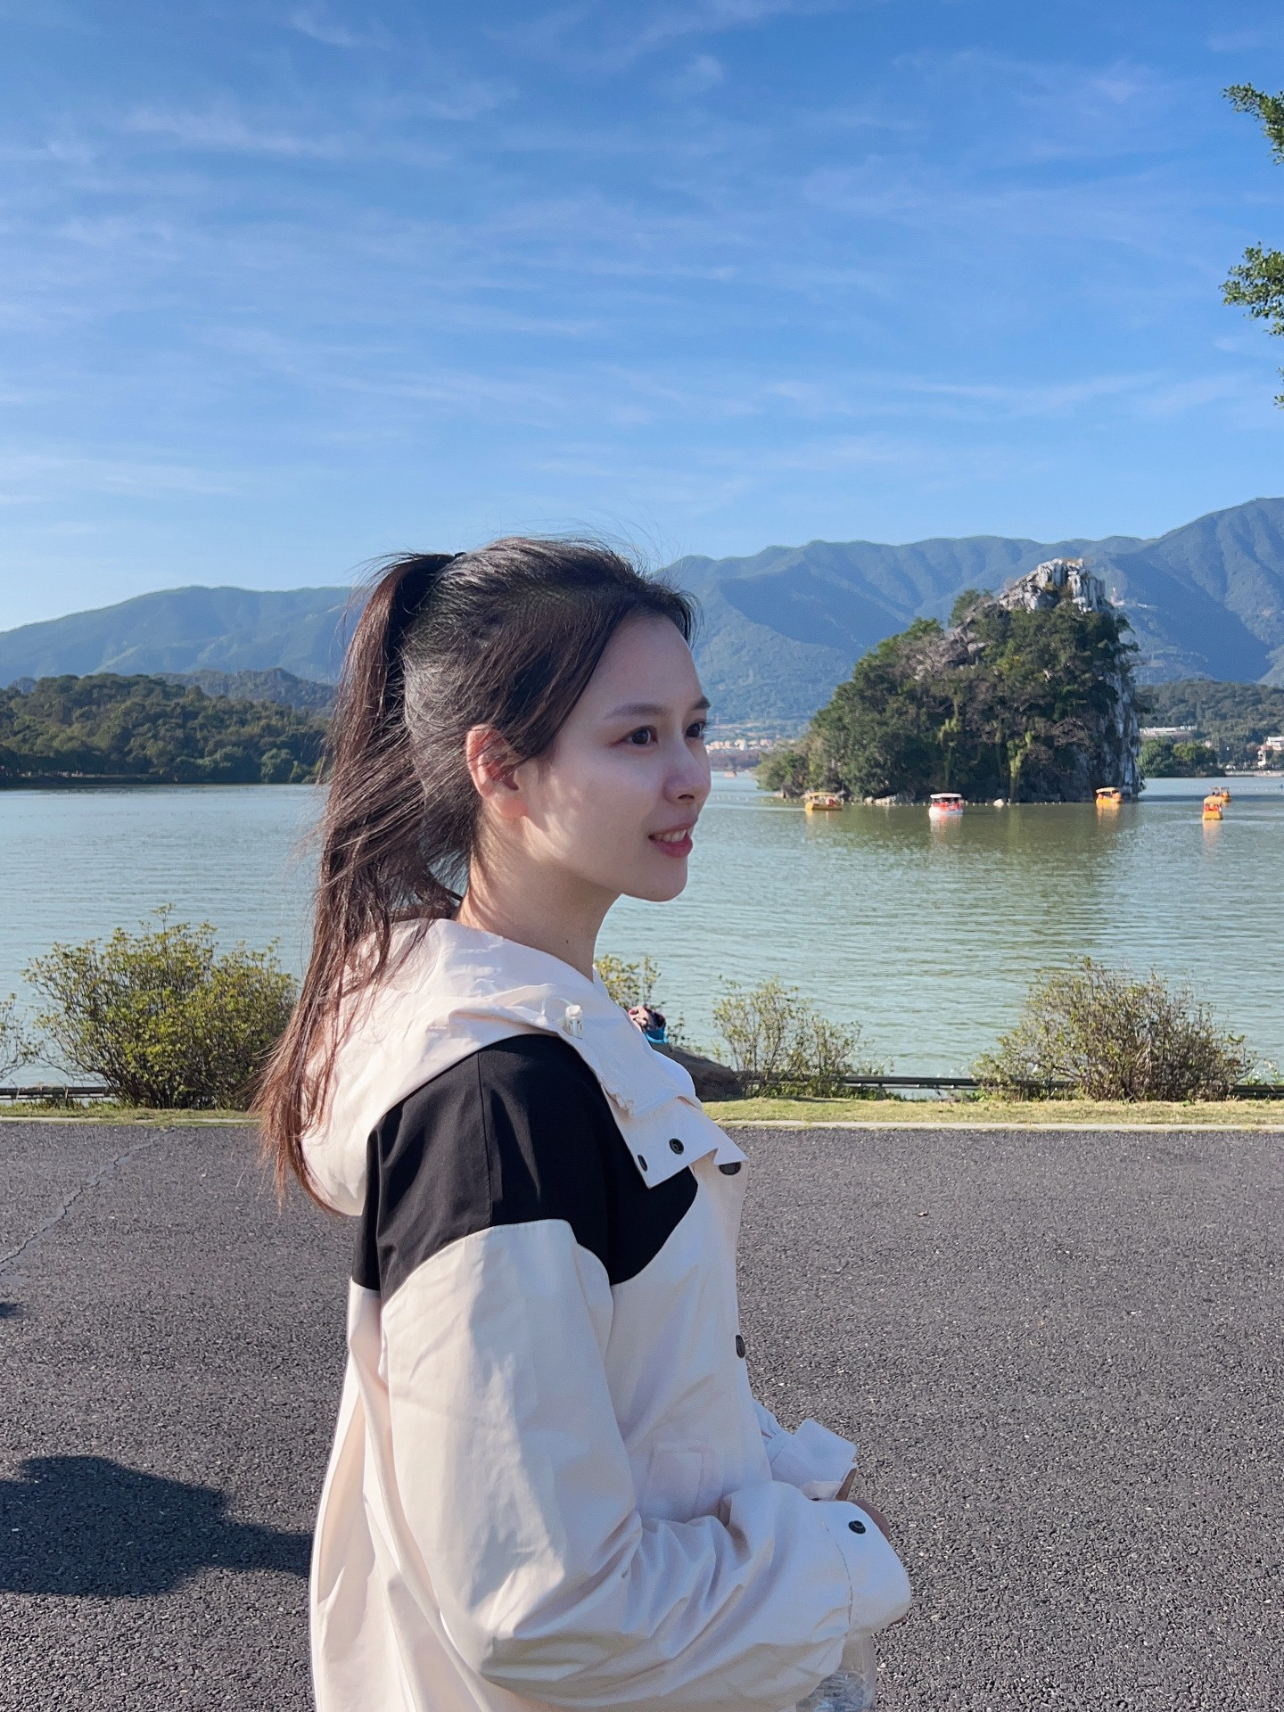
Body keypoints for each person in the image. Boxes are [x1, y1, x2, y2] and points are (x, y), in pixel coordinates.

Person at [255, 539, 911, 1712]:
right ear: (499, 769)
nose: (694, 775)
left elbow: (623, 1393)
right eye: (638, 736)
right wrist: (836, 1562)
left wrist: (773, 1470)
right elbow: (539, 1606)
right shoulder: (498, 1102)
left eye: (696, 728)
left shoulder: (547, 1046)